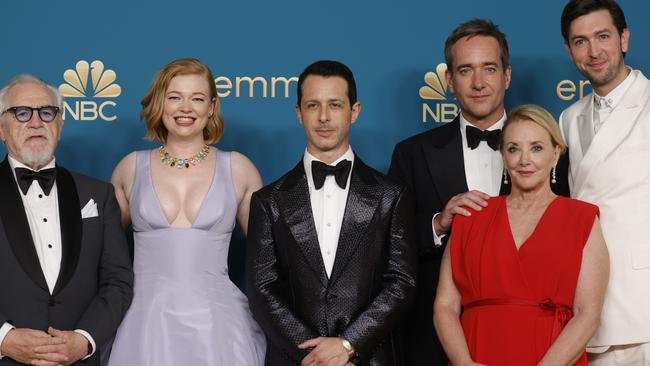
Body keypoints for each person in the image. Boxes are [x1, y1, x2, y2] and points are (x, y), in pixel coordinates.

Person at [388, 19, 571, 364]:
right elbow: (388, 244)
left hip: (536, 340)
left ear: (507, 76)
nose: (478, 82)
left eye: (489, 68)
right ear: (449, 80)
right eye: (465, 70)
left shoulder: (551, 154)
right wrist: (439, 224)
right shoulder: (411, 154)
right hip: (434, 342)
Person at [246, 60, 417, 366]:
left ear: (355, 111)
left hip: (369, 359)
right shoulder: (267, 200)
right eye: (313, 105)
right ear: (299, 113)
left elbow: (401, 283)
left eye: (335, 105)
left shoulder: (392, 195)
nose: (324, 117)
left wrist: (349, 344)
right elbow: (262, 289)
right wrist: (316, 356)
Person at [108, 58, 265, 366]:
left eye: (197, 98)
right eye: (175, 97)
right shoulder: (129, 168)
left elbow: (268, 259)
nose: (185, 108)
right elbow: (101, 255)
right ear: (160, 102)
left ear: (212, 107)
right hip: (144, 324)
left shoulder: (239, 169)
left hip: (218, 326)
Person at [434, 104, 609, 365]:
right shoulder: (471, 215)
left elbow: (588, 313)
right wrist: (464, 363)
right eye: (513, 149)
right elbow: (445, 305)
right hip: (477, 352)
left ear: (556, 153)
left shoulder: (581, 218)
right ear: (503, 156)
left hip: (551, 356)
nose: (524, 159)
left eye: (536, 148)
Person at [0, 75, 133, 365]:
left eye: (47, 113)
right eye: (21, 113)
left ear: (60, 125)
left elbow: (117, 281)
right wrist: (4, 338)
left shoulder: (100, 194)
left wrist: (85, 339)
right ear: (1, 128)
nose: (36, 122)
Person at [559, 0, 650, 363]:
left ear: (624, 38)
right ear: (569, 51)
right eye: (580, 41)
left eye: (603, 36)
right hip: (588, 303)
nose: (594, 52)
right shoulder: (568, 118)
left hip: (642, 301)